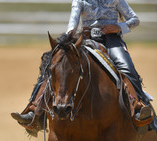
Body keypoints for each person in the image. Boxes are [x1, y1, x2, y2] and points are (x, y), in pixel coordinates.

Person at [11, 0, 155, 132]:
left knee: (126, 68)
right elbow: (72, 23)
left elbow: (134, 19)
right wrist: (69, 37)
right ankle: (35, 110)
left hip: (112, 41)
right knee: (54, 66)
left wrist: (118, 27)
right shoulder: (80, 0)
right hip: (85, 40)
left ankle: (137, 107)